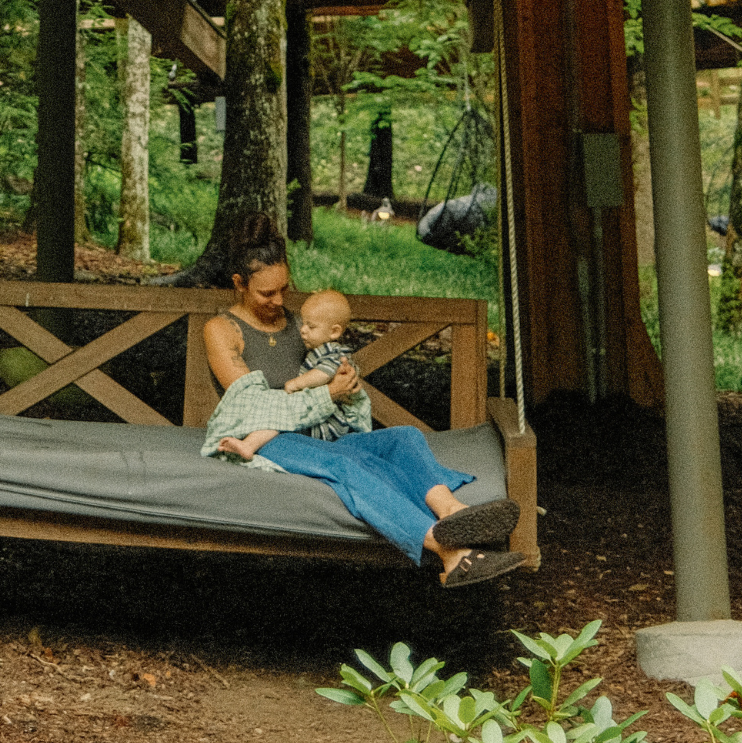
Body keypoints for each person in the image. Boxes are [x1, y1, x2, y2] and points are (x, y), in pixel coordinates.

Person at [200, 214, 524, 588]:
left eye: (284, 289)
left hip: (319, 434)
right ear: (239, 284)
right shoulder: (222, 330)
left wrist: (348, 388)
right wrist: (326, 394)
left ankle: (453, 512)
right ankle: (449, 550)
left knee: (403, 437)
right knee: (349, 466)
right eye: (266, 293)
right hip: (266, 440)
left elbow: (332, 374)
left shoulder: (300, 324)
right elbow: (252, 407)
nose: (279, 301)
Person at [211, 288, 356, 460]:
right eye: (303, 323)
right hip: (312, 413)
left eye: (310, 326)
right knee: (277, 419)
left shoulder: (334, 352)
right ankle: (247, 445)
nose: (303, 330)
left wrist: (297, 384)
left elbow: (323, 374)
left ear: (334, 332)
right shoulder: (319, 349)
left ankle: (248, 445)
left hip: (325, 423)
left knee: (278, 420)